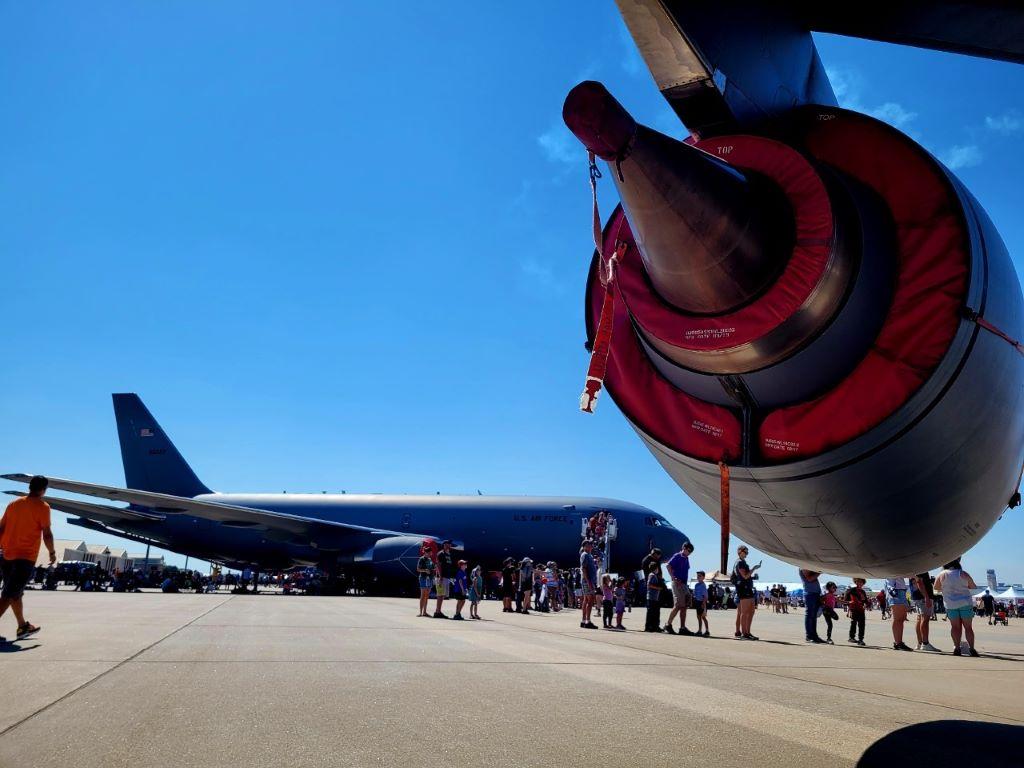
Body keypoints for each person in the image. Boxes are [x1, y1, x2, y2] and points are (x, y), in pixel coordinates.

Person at [0, 476, 56, 642]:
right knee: (9, 594)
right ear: (43, 489)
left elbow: (2, 527)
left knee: (15, 593)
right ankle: (22, 626)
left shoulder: (14, 504)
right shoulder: (43, 507)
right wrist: (52, 552)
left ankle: (22, 626)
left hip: (8, 554)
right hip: (25, 557)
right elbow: (46, 533)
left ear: (30, 487)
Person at [934, 558, 979, 657]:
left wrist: (946, 589)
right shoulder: (962, 573)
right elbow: (973, 587)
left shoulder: (942, 574)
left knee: (955, 627)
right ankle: (971, 648)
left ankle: (957, 647)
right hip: (965, 603)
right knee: (968, 628)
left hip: (950, 604)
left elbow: (936, 588)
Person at [664, 542, 694, 636]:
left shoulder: (686, 558)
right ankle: (668, 624)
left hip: (684, 584)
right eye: (688, 550)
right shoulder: (678, 556)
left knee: (684, 606)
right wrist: (673, 577)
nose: (689, 553)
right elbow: (668, 565)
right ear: (684, 548)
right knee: (678, 605)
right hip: (677, 584)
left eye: (691, 552)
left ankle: (682, 627)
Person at [732, 546, 759, 640]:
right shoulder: (739, 562)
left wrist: (752, 576)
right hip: (743, 589)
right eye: (745, 552)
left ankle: (747, 632)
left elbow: (746, 576)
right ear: (740, 552)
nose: (747, 554)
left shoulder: (742, 562)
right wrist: (754, 568)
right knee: (744, 612)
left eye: (747, 552)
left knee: (751, 611)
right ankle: (745, 633)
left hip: (747, 588)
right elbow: (745, 576)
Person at [911, 573, 940, 652]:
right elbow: (919, 582)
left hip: (916, 596)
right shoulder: (921, 566)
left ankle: (920, 643)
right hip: (923, 596)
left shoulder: (912, 566)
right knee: (925, 619)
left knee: (919, 618)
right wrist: (926, 597)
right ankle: (925, 643)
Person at [885, 576, 913, 651]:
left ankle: (899, 642)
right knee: (898, 619)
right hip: (895, 590)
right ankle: (898, 642)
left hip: (900, 590)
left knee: (901, 618)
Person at [799, 569, 824, 643]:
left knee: (813, 616)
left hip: (814, 593)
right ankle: (809, 636)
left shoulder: (807, 566)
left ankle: (814, 636)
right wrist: (819, 572)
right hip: (810, 593)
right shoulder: (803, 566)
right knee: (810, 615)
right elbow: (809, 579)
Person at [579, 540, 598, 629]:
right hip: (587, 581)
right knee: (590, 601)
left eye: (591, 545)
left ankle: (583, 620)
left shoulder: (589, 555)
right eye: (588, 545)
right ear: (584, 546)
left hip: (588, 580)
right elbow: (584, 568)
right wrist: (588, 582)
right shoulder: (585, 555)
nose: (591, 546)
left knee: (586, 600)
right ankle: (588, 621)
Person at [433, 540, 455, 618]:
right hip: (441, 577)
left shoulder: (448, 554)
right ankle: (437, 612)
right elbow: (438, 565)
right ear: (445, 545)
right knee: (440, 595)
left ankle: (438, 611)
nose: (450, 545)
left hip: (446, 577)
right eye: (448, 544)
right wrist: (440, 576)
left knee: (442, 595)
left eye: (450, 544)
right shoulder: (441, 554)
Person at [844, 577, 868, 645]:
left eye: (861, 582)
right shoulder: (851, 590)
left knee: (862, 625)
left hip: (861, 610)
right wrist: (849, 604)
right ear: (855, 582)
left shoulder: (863, 592)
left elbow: (865, 601)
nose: (860, 583)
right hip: (853, 609)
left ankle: (861, 639)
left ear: (863, 583)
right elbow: (845, 600)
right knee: (853, 623)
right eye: (858, 581)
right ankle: (851, 638)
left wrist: (867, 604)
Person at [645, 561, 665, 632]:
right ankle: (649, 627)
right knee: (651, 612)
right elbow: (649, 585)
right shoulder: (652, 575)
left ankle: (655, 626)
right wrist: (658, 588)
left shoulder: (654, 575)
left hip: (655, 597)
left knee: (656, 612)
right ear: (656, 568)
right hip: (651, 597)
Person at [416, 543, 434, 617]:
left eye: (430, 552)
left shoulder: (430, 560)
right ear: (426, 552)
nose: (430, 553)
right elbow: (418, 569)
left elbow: (432, 568)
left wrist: (434, 569)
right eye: (429, 552)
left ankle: (425, 612)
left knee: (427, 595)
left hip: (429, 578)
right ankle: (420, 612)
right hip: (423, 578)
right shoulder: (422, 559)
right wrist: (425, 570)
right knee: (423, 595)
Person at [693, 571, 710, 637]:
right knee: (698, 617)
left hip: (702, 602)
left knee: (703, 617)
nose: (698, 577)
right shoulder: (696, 585)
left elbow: (705, 596)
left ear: (703, 577)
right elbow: (695, 594)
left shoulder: (703, 585)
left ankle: (707, 630)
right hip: (697, 602)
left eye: (700, 576)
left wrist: (703, 603)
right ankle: (699, 630)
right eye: (697, 576)